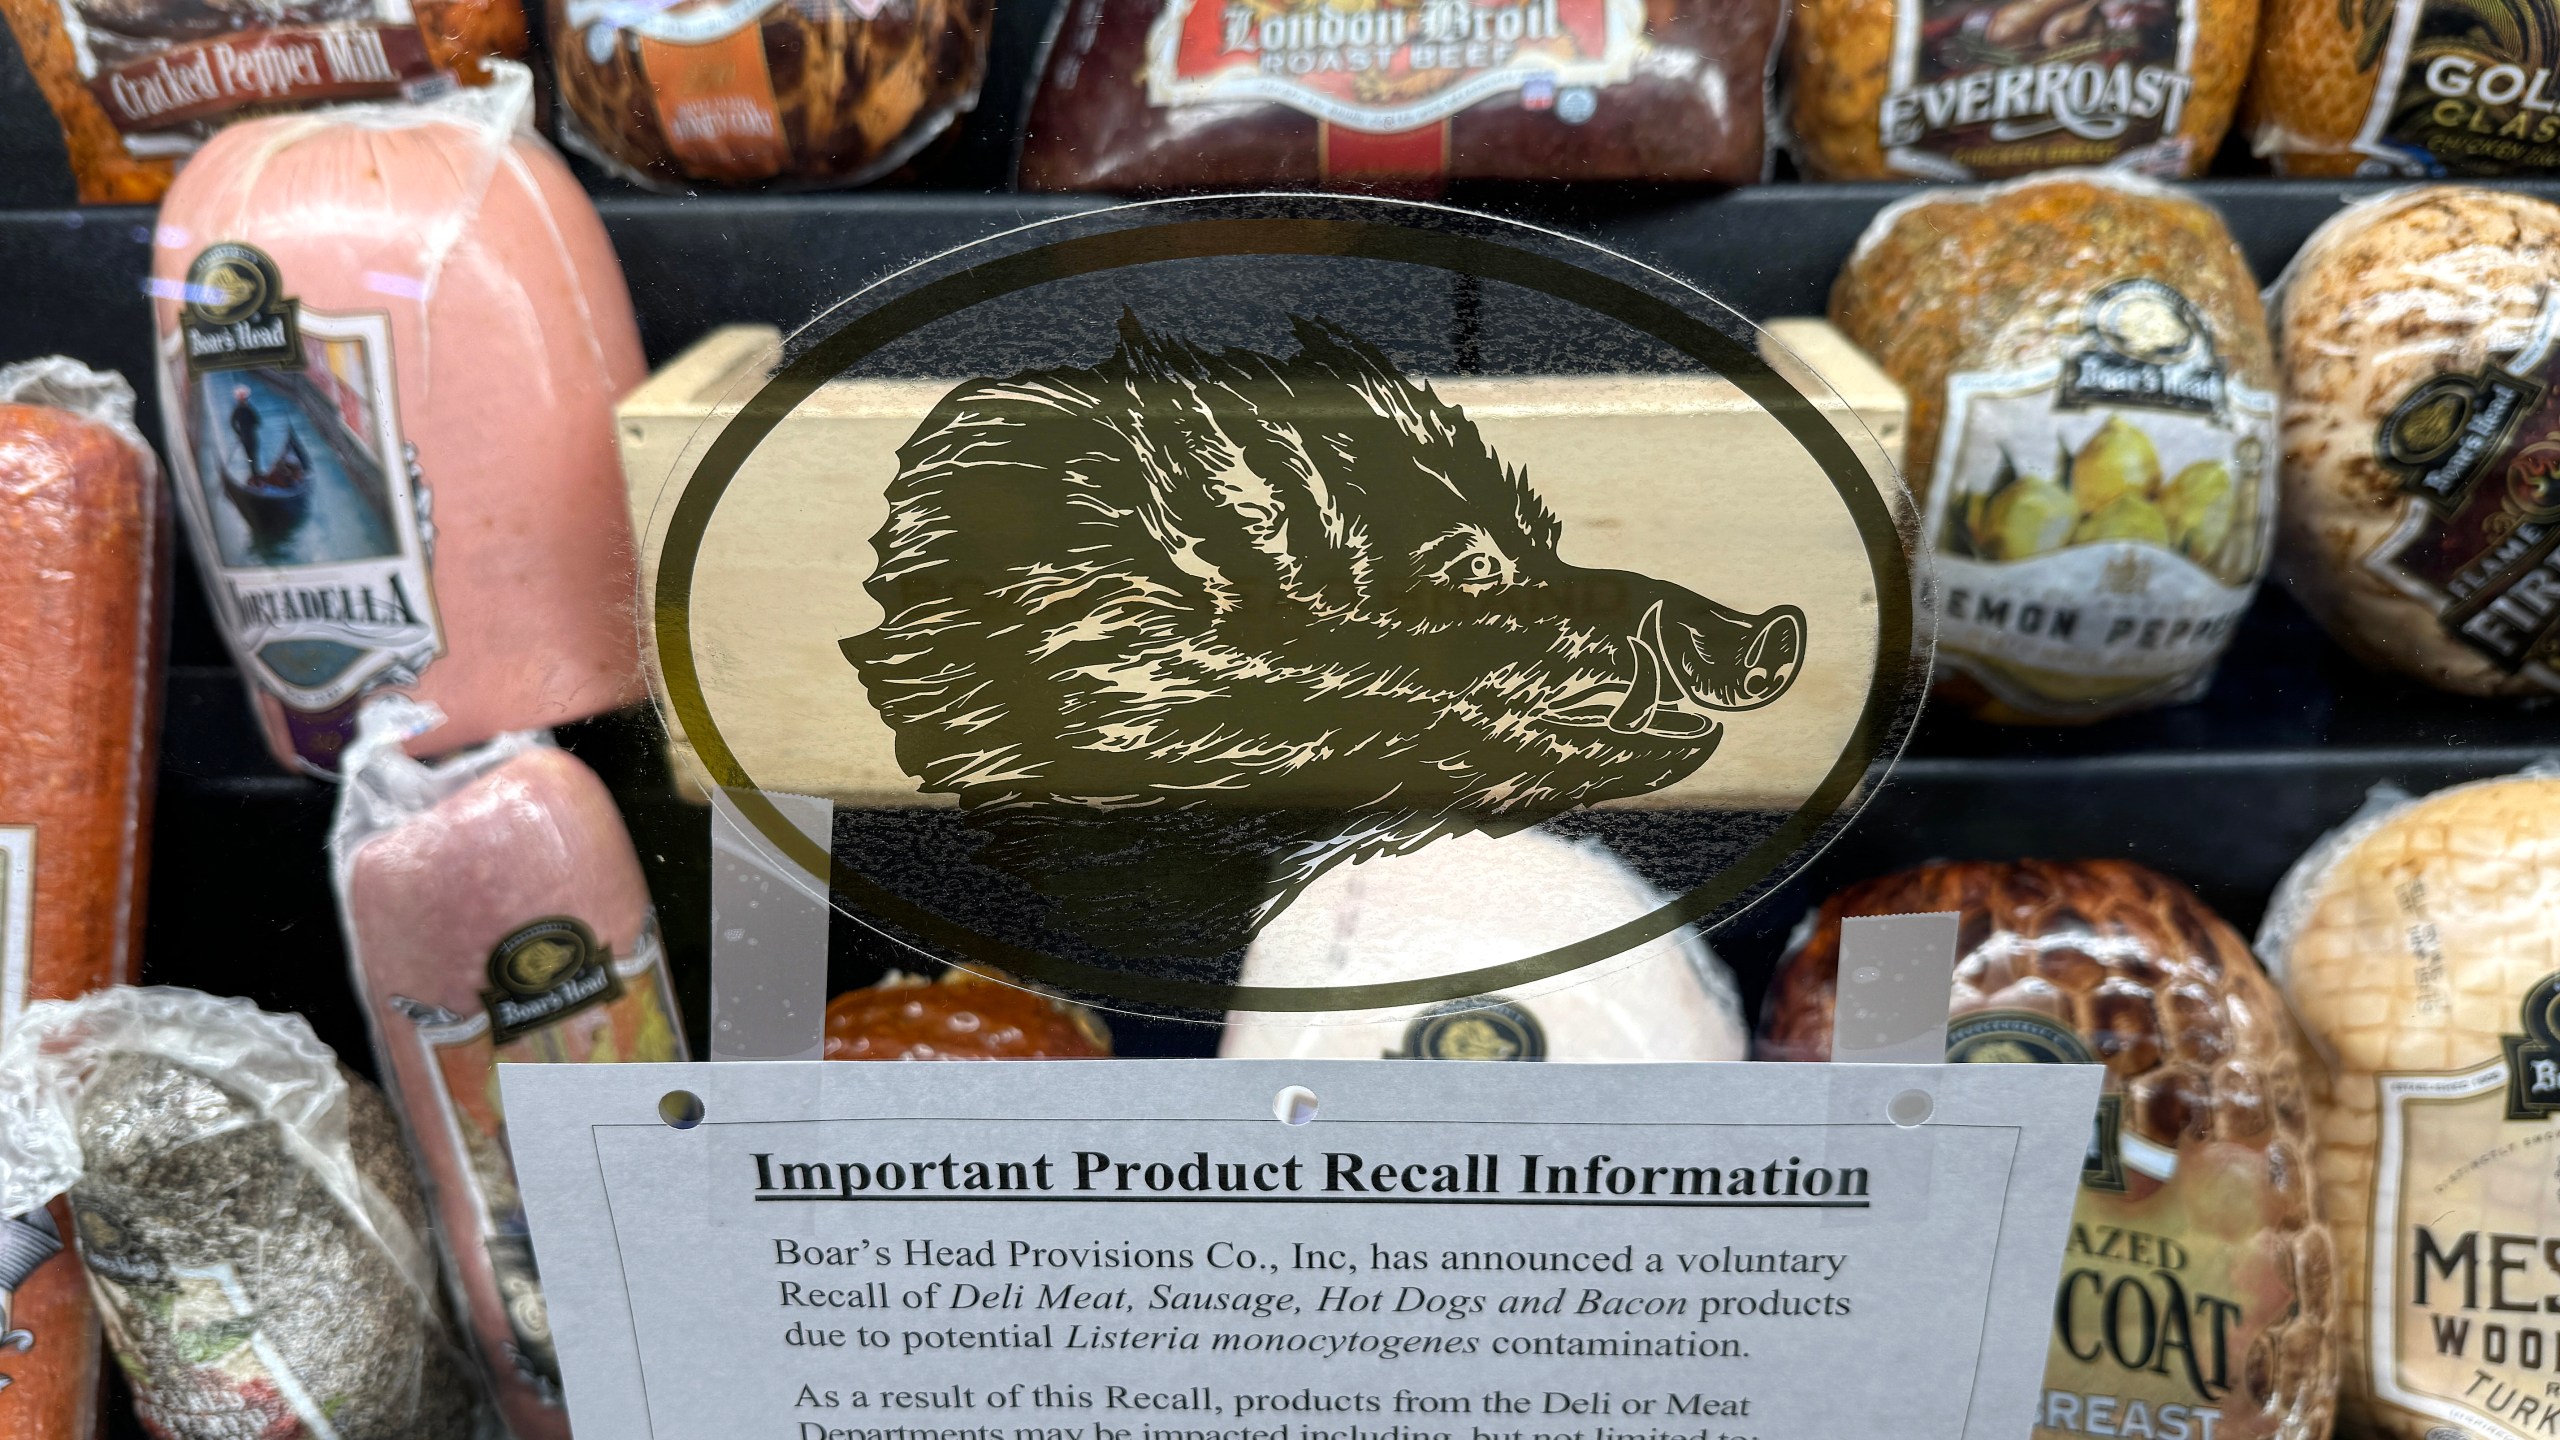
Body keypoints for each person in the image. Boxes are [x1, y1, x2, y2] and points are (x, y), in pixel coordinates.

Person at [229, 385, 261, 472]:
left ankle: (254, 471)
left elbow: (232, 423)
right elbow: (257, 421)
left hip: (245, 435)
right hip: (249, 435)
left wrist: (239, 433)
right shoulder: (247, 408)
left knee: (251, 456)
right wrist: (240, 432)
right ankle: (255, 471)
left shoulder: (238, 409)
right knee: (252, 456)